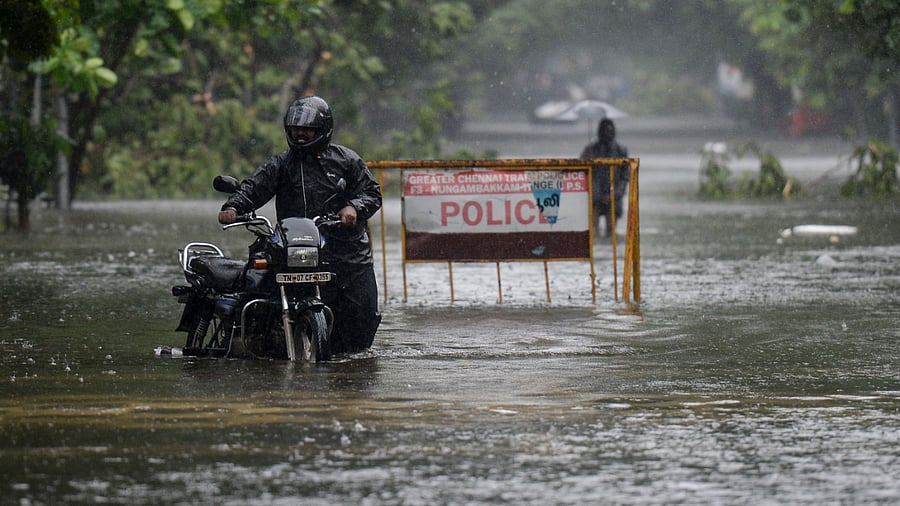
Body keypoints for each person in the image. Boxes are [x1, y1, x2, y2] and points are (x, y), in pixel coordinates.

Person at [218, 95, 382, 355]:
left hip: (348, 255)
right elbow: (254, 188)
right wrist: (234, 207)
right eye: (296, 130)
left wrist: (354, 208)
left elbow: (372, 193)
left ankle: (353, 381)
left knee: (361, 331)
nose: (301, 135)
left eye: (307, 130)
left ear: (322, 130)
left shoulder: (347, 160)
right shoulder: (281, 164)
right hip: (297, 251)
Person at [579, 118, 629, 237]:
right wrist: (586, 159)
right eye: (605, 131)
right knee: (592, 233)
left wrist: (614, 194)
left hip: (614, 196)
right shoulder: (590, 149)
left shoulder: (621, 150)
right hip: (595, 197)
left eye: (610, 131)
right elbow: (582, 172)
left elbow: (625, 177)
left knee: (611, 232)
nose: (608, 134)